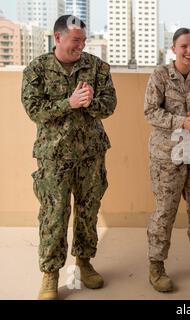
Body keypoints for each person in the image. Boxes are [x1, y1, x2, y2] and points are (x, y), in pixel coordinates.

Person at [21, 15, 117, 300]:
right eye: (76, 41)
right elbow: (34, 110)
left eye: (84, 41)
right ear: (58, 37)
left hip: (90, 153)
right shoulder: (36, 69)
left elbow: (110, 104)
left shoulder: (97, 67)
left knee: (88, 211)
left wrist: (90, 103)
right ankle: (50, 274)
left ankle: (85, 263)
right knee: (54, 214)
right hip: (54, 156)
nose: (81, 46)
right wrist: (69, 103)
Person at [144, 28, 190, 293]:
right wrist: (179, 121)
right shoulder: (160, 75)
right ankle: (156, 265)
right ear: (173, 48)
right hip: (168, 155)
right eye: (184, 46)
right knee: (165, 210)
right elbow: (150, 112)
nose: (189, 51)